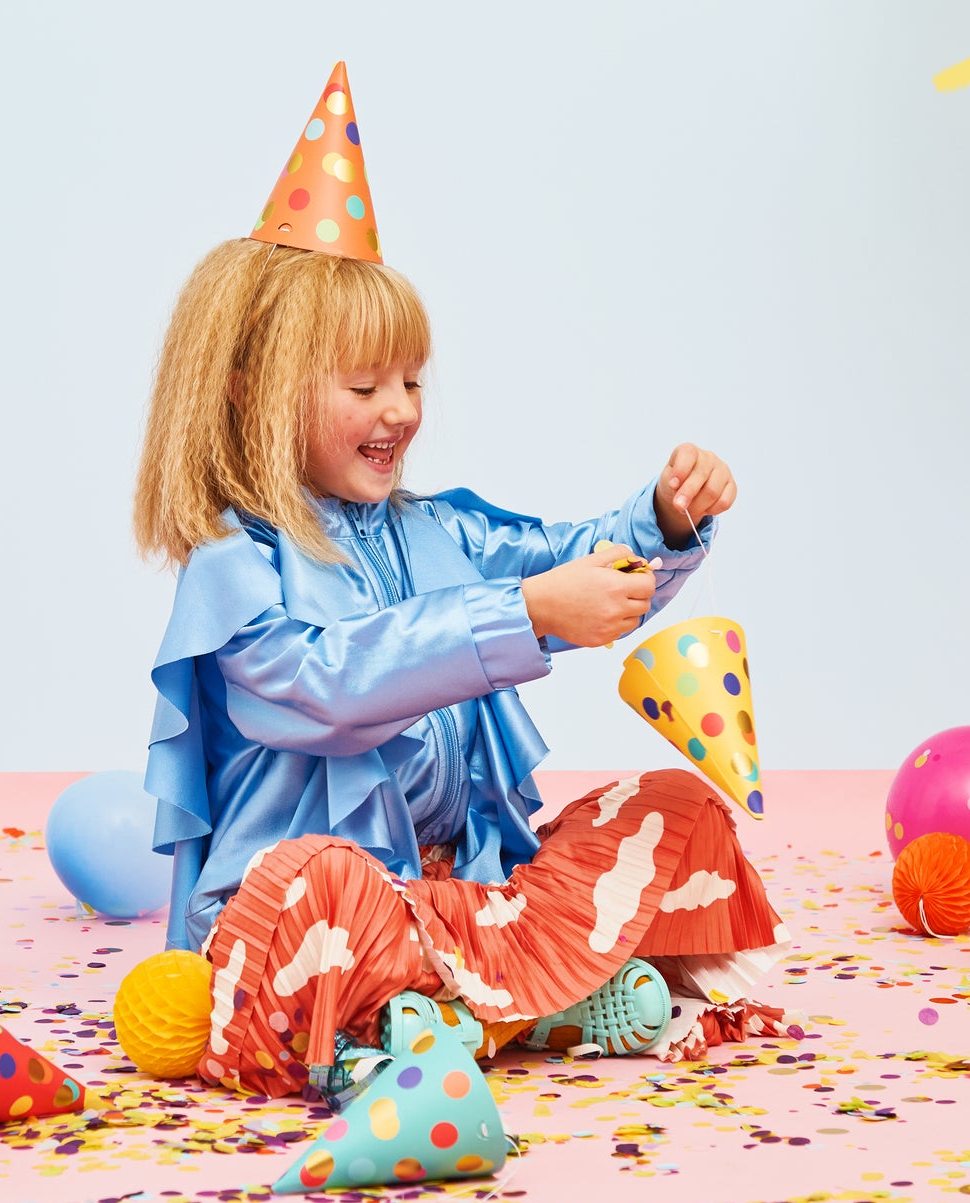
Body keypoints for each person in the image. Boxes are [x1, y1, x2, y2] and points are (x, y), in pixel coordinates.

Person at [135, 65, 786, 1101]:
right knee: (315, 885)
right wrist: (522, 616)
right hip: (339, 921)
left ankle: (479, 1010)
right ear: (249, 389)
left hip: (463, 898)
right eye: (363, 386)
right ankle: (508, 1009)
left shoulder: (440, 531)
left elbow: (565, 561)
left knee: (673, 806)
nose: (399, 409)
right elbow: (328, 684)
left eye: (411, 380)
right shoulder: (235, 567)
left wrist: (660, 523)